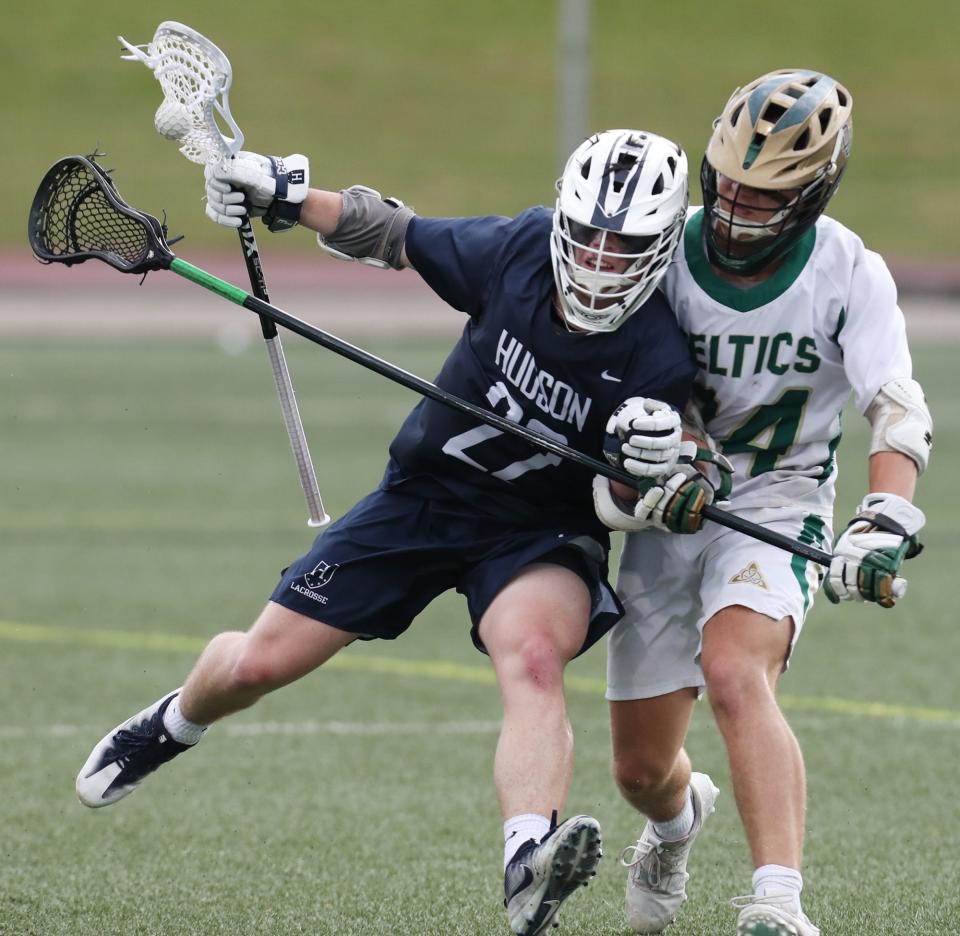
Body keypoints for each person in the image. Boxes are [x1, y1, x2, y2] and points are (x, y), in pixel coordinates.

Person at [75, 129, 699, 936]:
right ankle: (172, 724)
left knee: (536, 661)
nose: (601, 262)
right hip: (425, 498)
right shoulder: (515, 252)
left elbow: (623, 500)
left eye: (627, 247)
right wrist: (288, 198)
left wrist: (640, 466)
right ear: (563, 224)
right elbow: (392, 233)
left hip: (539, 534)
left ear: (661, 248)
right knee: (259, 664)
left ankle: (527, 860)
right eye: (588, 238)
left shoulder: (659, 356)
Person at [595, 70, 933, 936]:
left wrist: (884, 515)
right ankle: (677, 825)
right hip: (668, 506)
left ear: (814, 192)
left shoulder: (848, 269)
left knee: (737, 672)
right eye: (732, 184)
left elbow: (894, 405)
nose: (741, 206)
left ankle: (778, 904)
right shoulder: (665, 247)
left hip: (779, 502)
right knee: (639, 768)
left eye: (768, 193)